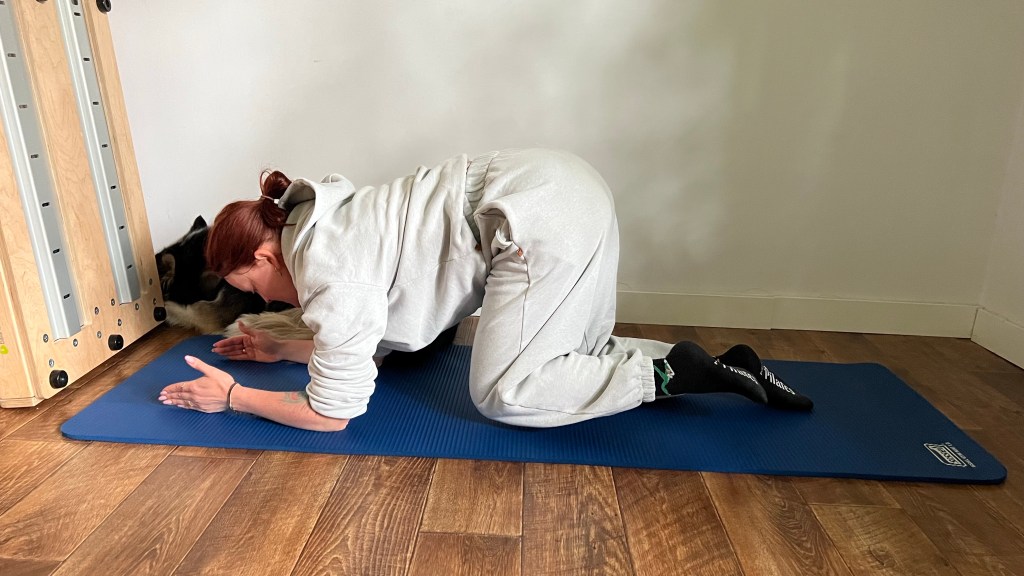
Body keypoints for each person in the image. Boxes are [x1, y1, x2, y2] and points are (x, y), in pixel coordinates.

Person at [159, 149, 812, 431]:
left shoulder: (328, 270)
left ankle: (668, 374)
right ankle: (723, 366)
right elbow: (365, 339)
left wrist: (234, 397)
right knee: (572, 358)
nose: (269, 302)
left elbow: (333, 413)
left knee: (505, 394)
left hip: (534, 221)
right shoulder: (328, 219)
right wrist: (281, 350)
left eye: (255, 285)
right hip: (569, 190)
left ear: (266, 253)